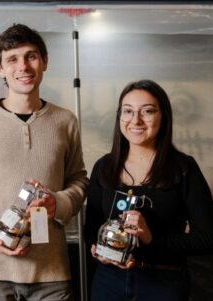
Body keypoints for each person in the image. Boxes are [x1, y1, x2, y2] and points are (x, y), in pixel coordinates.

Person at [0, 23, 88, 301]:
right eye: (12, 59)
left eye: (31, 56)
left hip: (52, 272)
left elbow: (79, 180)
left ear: (45, 62)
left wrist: (58, 203)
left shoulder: (65, 121)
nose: (23, 66)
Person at [84, 79, 213, 301]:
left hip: (163, 284)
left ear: (163, 116)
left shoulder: (183, 168)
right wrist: (98, 251)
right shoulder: (104, 167)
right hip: (109, 282)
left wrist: (152, 240)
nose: (136, 120)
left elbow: (207, 237)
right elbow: (91, 229)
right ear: (119, 117)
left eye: (147, 111)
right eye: (128, 111)